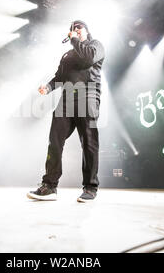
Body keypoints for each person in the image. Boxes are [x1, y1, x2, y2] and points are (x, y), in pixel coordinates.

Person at [27, 20, 105, 202]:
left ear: (86, 30)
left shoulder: (95, 45)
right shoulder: (68, 55)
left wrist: (75, 40)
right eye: (72, 28)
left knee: (89, 142)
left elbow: (88, 59)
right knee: (54, 140)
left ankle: (90, 187)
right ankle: (49, 186)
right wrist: (47, 87)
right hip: (67, 99)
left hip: (88, 95)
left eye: (79, 27)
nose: (75, 30)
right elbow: (59, 77)